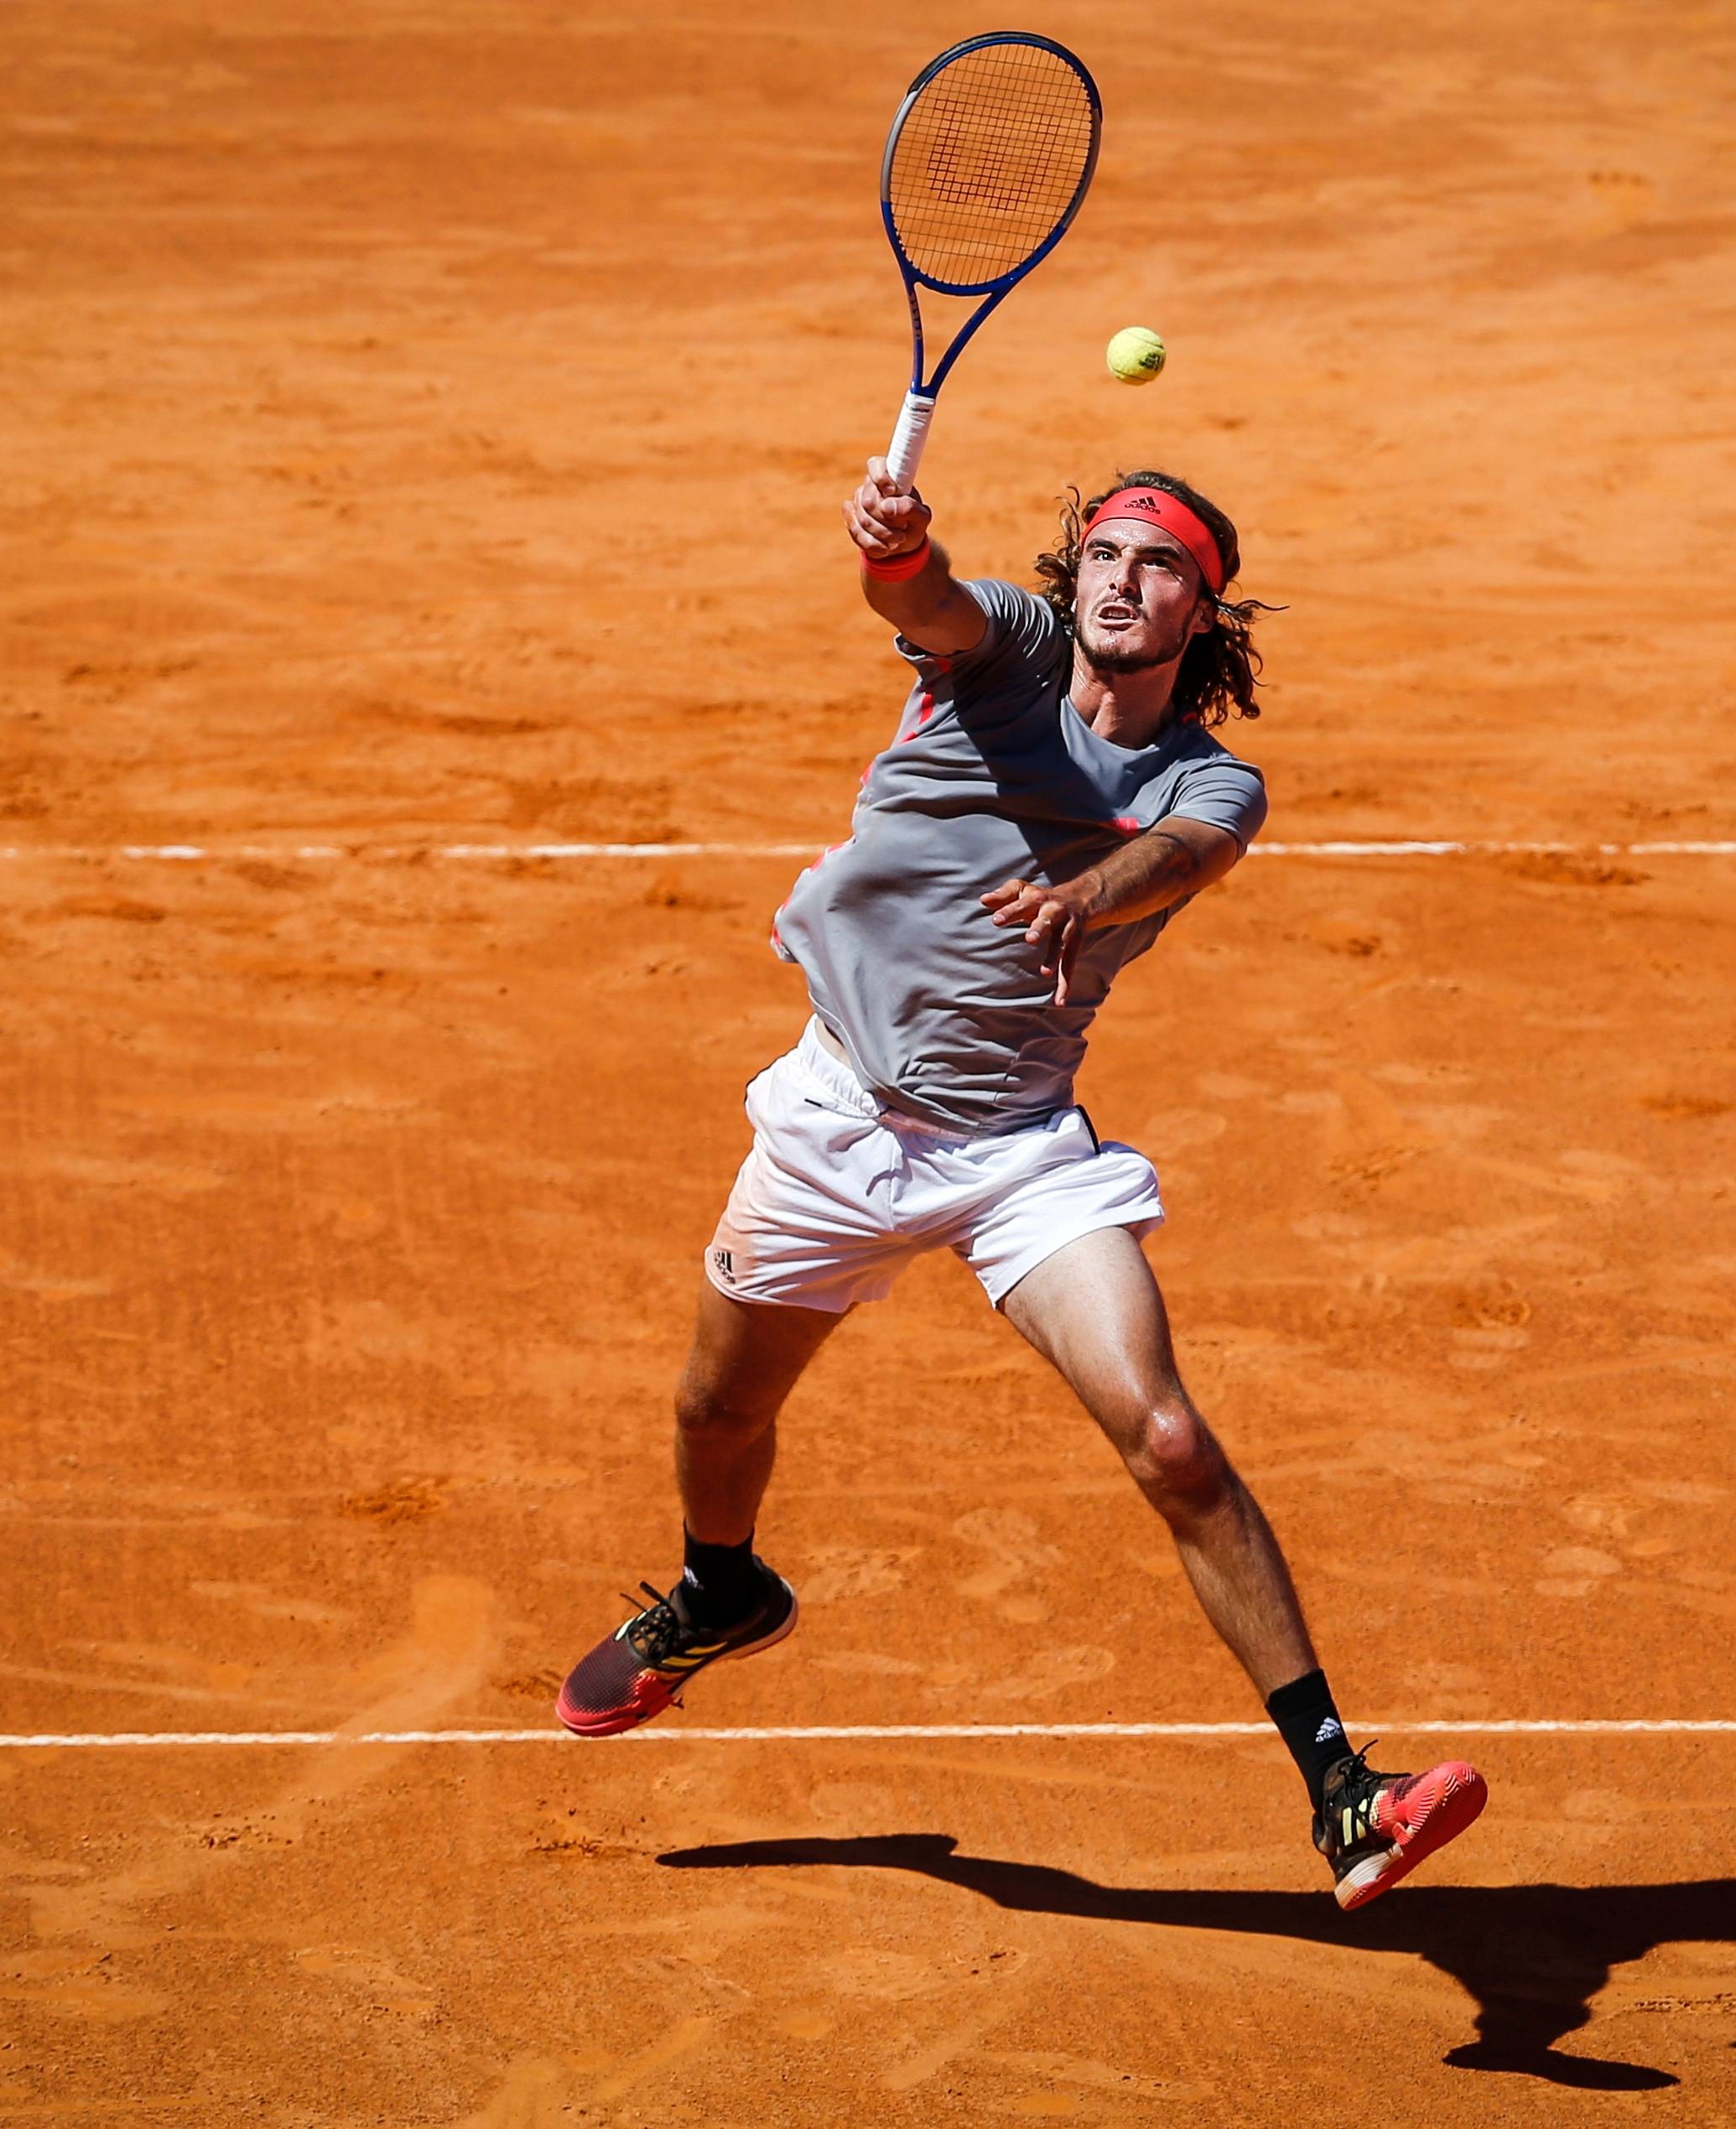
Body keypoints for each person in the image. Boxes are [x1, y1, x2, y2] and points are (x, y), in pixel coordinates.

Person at [556, 457, 1485, 1910]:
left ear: (1201, 611)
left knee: (1169, 1442)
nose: (1122, 580)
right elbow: (922, 602)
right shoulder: (1009, 649)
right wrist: (895, 550)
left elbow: (1178, 857)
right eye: (1104, 553)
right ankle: (722, 1590)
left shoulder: (1210, 780)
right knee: (715, 1415)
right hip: (832, 1123)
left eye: (1159, 565)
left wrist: (1082, 893)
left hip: (1015, 1157)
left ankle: (1342, 1795)